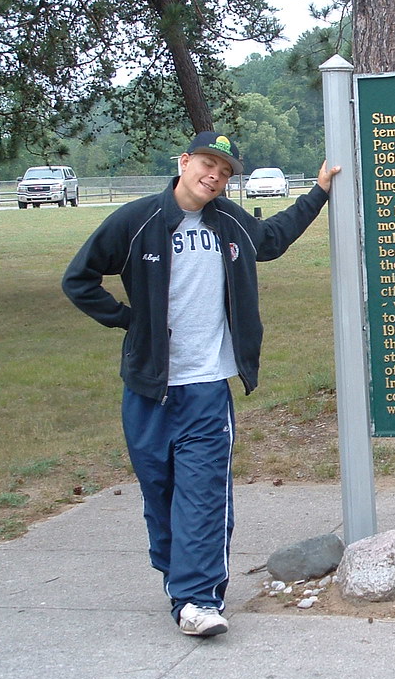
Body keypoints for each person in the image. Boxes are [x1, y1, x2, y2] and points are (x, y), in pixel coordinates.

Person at [62, 131, 340, 637]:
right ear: (185, 162)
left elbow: (273, 238)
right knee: (161, 492)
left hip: (208, 388)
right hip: (150, 389)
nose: (215, 176)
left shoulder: (230, 221)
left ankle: (199, 597)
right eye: (208, 165)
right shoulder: (137, 220)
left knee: (205, 495)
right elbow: (78, 278)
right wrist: (128, 320)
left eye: (226, 172)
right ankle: (179, 582)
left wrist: (318, 191)